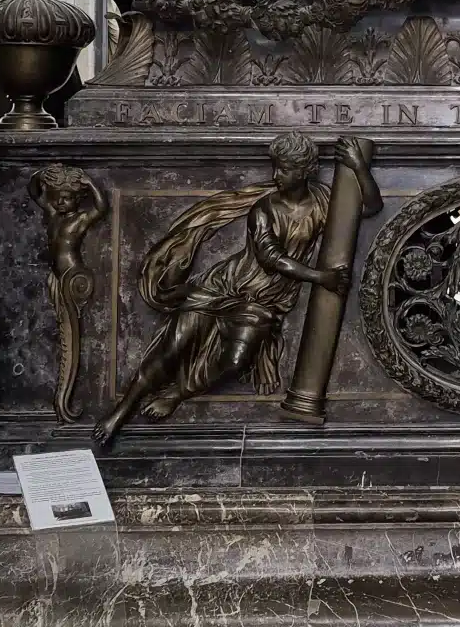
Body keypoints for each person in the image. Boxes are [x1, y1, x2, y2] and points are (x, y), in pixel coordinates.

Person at [93, 132, 363, 446]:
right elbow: (271, 257)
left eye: (285, 169)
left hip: (263, 302)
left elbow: (366, 207)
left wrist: (357, 167)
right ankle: (120, 412)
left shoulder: (322, 199)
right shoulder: (263, 210)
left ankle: (179, 392)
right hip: (222, 287)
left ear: (304, 171)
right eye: (275, 167)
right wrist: (321, 277)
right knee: (172, 350)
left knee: (235, 362)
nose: (276, 175)